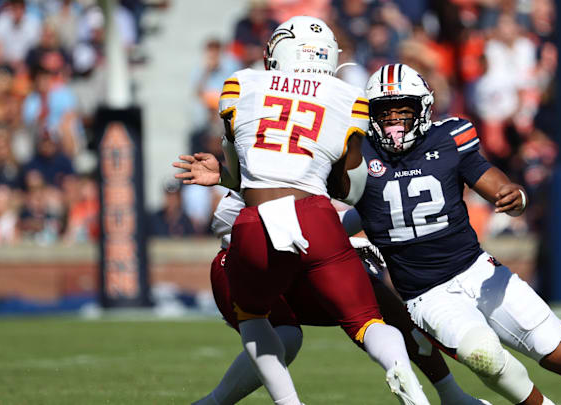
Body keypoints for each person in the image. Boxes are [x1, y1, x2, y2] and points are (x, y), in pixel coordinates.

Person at [174, 17, 430, 405]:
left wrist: (227, 179)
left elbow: (248, 174)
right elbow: (353, 186)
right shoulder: (349, 97)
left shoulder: (241, 84)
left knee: (253, 318)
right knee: (367, 321)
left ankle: (288, 402)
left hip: (257, 221)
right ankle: (403, 373)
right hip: (314, 215)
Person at [350, 63, 561, 405]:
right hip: (428, 295)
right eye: (386, 111)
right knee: (484, 354)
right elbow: (337, 206)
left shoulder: (448, 137)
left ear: (422, 108)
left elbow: (491, 180)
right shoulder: (358, 153)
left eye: (403, 110)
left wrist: (515, 197)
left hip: (478, 271)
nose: (395, 120)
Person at [190, 191, 490, 405]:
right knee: (287, 335)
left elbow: (353, 208)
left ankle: (450, 393)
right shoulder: (273, 155)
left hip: (305, 261)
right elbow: (227, 222)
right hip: (246, 261)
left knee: (379, 302)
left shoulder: (344, 153)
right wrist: (335, 237)